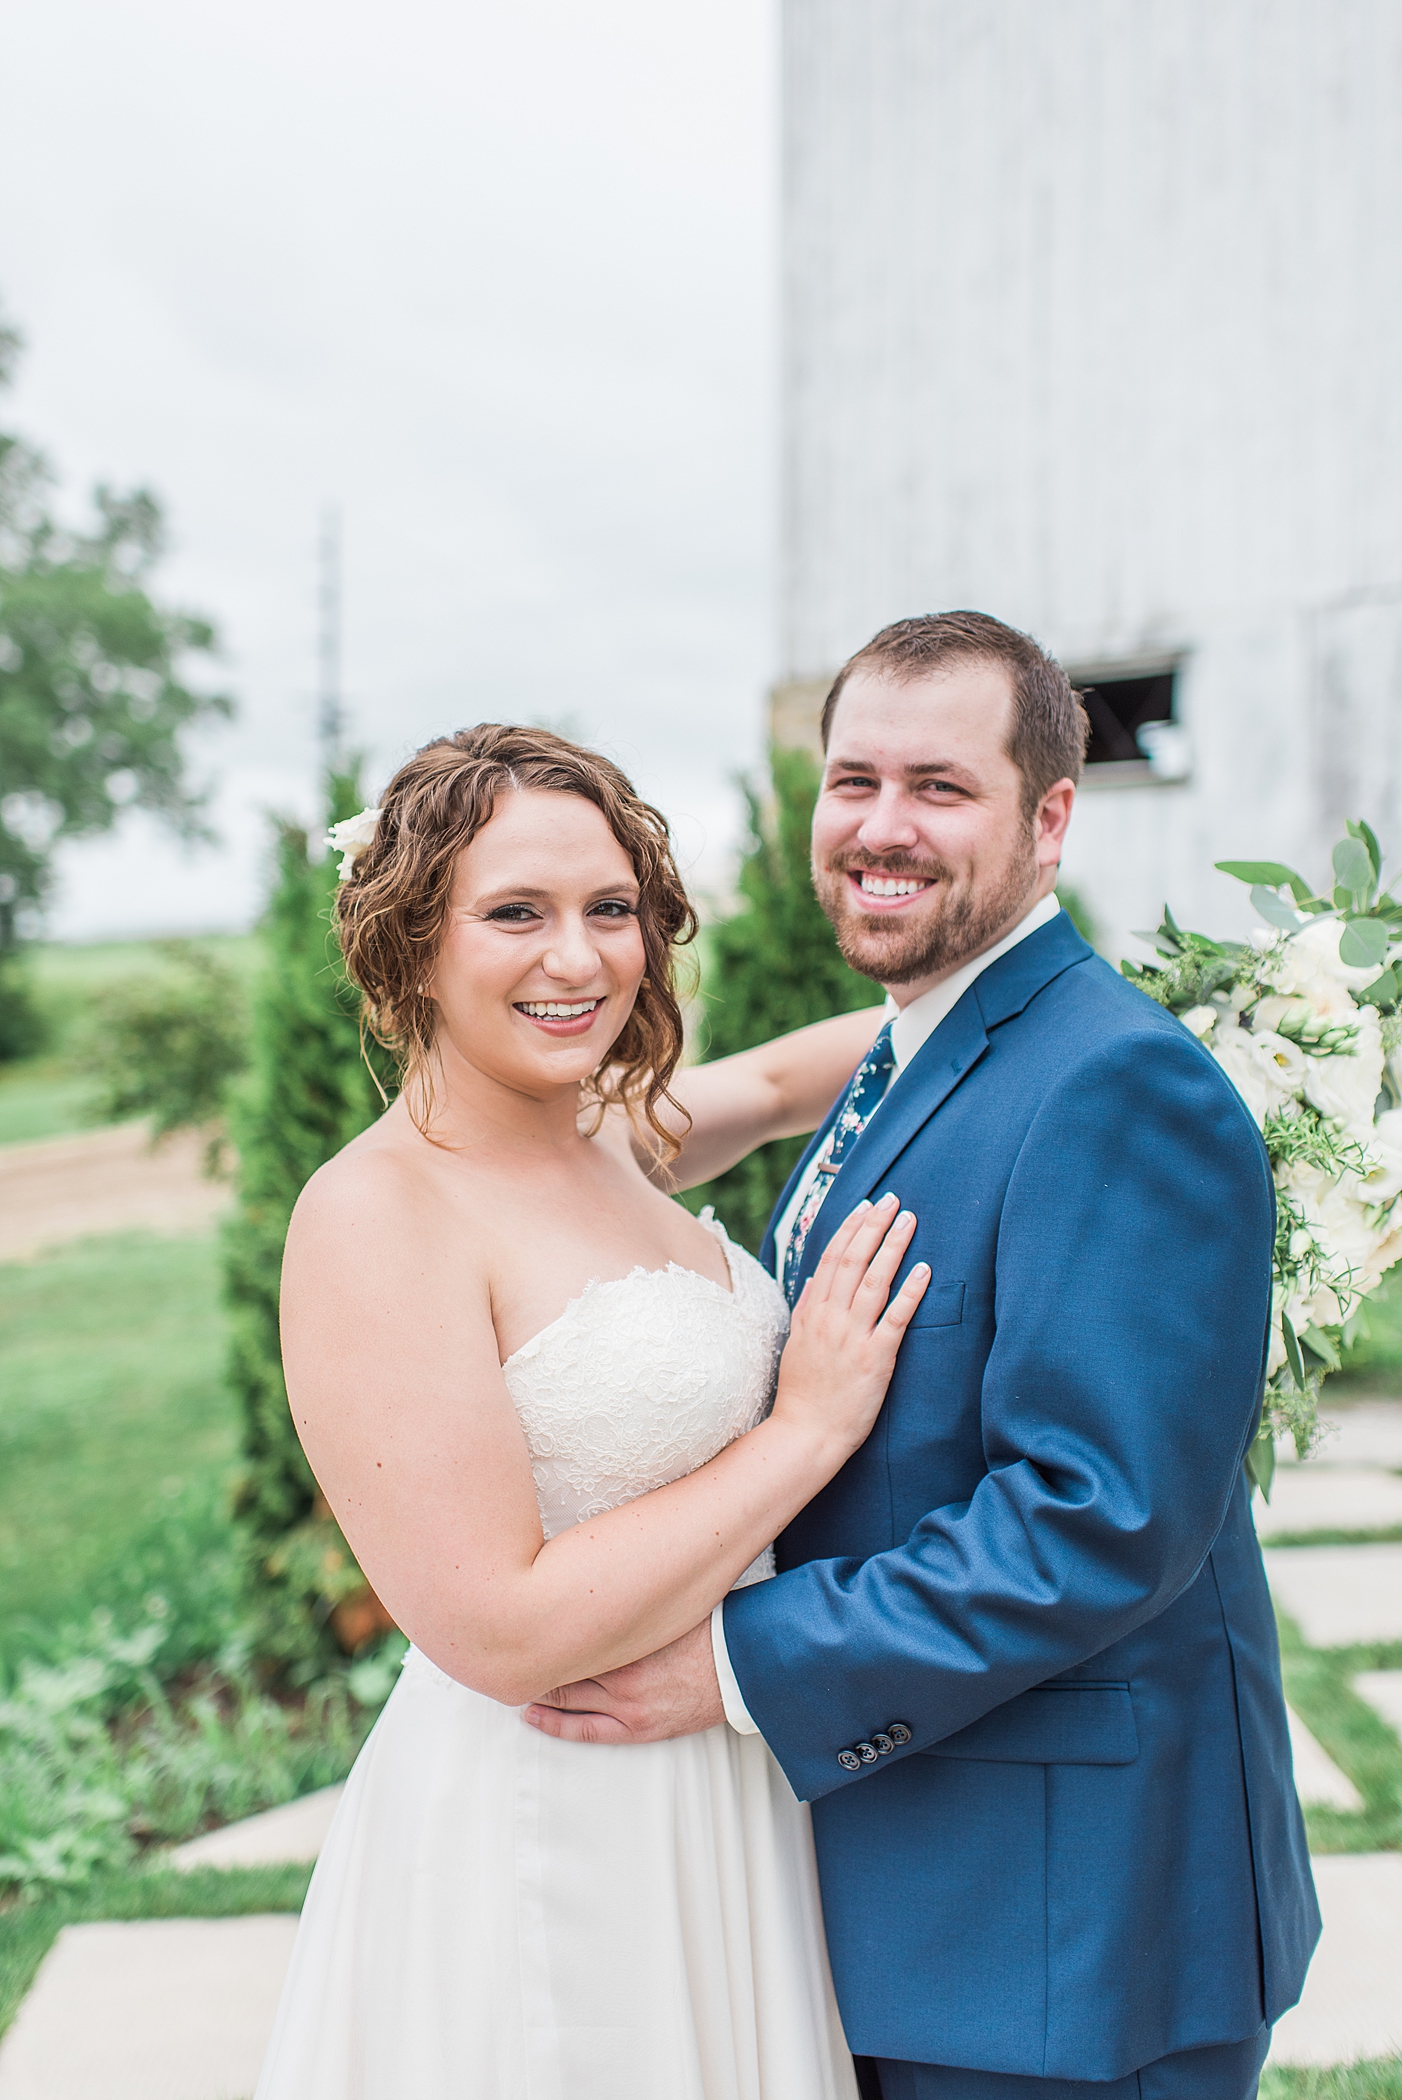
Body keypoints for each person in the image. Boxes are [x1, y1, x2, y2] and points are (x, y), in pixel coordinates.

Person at [527, 612, 1322, 2100]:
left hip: (1065, 1926)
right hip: (938, 1890)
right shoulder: (922, 1040)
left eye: (939, 789)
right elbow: (752, 1098)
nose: (881, 830)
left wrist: (731, 1668)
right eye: (852, 782)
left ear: (1048, 818)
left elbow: (1095, 1520)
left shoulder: (1114, 1085)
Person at [254, 722, 932, 2100]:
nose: (581, 960)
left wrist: (1027, 1001)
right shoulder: (376, 1218)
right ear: (410, 943)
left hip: (727, 1785)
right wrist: (804, 1429)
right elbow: (496, 1628)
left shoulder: (610, 1138)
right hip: (552, 1825)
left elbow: (787, 1080)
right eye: (516, 913)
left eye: (609, 908)